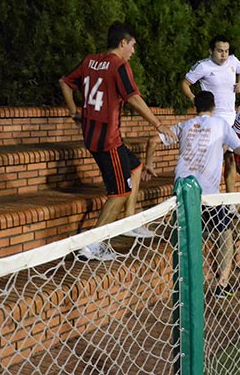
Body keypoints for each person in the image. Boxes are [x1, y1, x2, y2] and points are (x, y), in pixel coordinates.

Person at [59, 22, 177, 261]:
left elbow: (64, 82)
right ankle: (93, 243)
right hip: (108, 141)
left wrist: (74, 110)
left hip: (93, 134)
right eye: (132, 45)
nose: (133, 51)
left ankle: (129, 220)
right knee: (120, 192)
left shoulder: (89, 61)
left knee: (134, 166)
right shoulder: (119, 65)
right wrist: (158, 124)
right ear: (123, 43)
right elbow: (133, 97)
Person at [143, 91, 240, 298]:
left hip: (182, 189)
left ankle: (185, 286)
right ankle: (222, 284)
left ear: (195, 107)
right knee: (225, 234)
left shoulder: (184, 126)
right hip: (208, 194)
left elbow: (153, 141)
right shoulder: (221, 125)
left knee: (187, 237)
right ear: (214, 106)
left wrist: (149, 164)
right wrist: (226, 146)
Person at [181, 35, 240, 193]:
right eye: (219, 51)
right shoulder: (203, 66)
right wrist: (194, 99)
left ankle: (230, 202)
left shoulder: (233, 61)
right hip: (214, 118)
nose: (223, 55)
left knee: (230, 159)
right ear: (211, 51)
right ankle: (208, 194)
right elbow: (185, 83)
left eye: (226, 51)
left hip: (232, 116)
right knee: (215, 157)